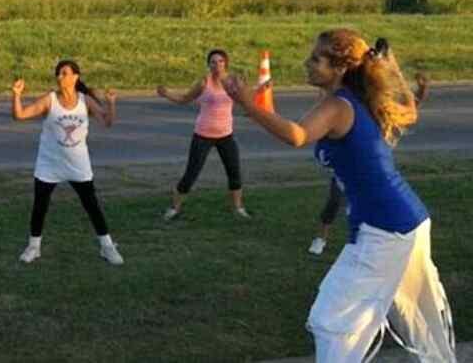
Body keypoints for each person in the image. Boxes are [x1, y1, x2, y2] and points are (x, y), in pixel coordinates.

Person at [222, 30, 454, 362]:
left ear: (340, 68)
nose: (307, 62)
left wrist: (247, 102)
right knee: (418, 318)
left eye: (317, 58)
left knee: (332, 318)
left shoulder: (339, 105)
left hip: (387, 229)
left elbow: (297, 135)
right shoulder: (350, 100)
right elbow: (407, 111)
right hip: (401, 223)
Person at [11, 60, 123, 265]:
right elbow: (20, 115)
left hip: (78, 165)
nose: (59, 77)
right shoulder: (50, 100)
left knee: (92, 206)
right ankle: (33, 247)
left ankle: (107, 247)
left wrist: (111, 103)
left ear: (75, 77)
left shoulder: (85, 101)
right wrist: (17, 94)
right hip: (49, 164)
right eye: (58, 74)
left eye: (64, 73)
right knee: (40, 206)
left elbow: (107, 122)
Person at [308, 71, 431, 255]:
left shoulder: (372, 114)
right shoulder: (343, 109)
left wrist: (421, 91)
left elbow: (406, 111)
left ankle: (351, 240)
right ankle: (321, 238)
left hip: (385, 207)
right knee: (334, 203)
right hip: (348, 176)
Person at [156, 49, 255, 220]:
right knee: (191, 174)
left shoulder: (232, 82)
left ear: (226, 64)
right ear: (208, 65)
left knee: (234, 172)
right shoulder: (204, 83)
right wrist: (166, 94)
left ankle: (238, 208)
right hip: (203, 135)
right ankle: (174, 208)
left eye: (221, 61)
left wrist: (248, 88)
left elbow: (247, 102)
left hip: (226, 135)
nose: (217, 65)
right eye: (213, 62)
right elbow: (184, 99)